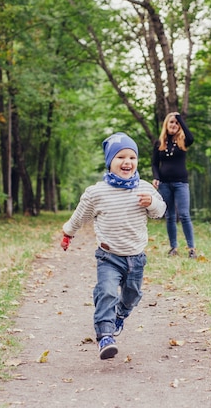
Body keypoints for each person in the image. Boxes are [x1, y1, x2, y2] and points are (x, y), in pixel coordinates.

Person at [60, 132, 167, 360]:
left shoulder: (144, 188)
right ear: (110, 162)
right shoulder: (97, 192)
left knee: (133, 295)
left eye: (132, 157)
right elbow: (80, 216)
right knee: (107, 291)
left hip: (136, 257)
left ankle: (120, 315)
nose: (127, 162)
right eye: (120, 157)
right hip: (109, 257)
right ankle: (105, 335)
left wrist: (153, 203)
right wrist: (68, 232)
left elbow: (161, 211)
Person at [151, 112, 197, 258]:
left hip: (181, 183)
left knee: (184, 215)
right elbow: (154, 164)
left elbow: (191, 137)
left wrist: (179, 118)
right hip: (164, 184)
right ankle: (173, 248)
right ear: (166, 124)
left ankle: (191, 249)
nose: (174, 125)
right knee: (170, 216)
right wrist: (156, 177)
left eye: (176, 123)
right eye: (171, 122)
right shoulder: (159, 143)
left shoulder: (183, 140)